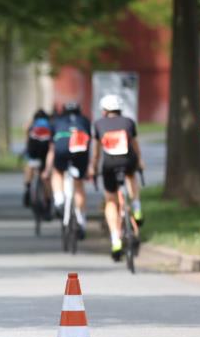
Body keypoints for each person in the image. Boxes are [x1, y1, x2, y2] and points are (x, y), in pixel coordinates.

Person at [88, 93, 144, 261]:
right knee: (131, 175)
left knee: (111, 201)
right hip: (128, 161)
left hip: (109, 165)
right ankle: (137, 207)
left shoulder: (98, 124)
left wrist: (93, 167)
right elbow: (135, 145)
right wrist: (140, 162)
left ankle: (115, 239)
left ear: (104, 111)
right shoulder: (129, 122)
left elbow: (97, 151)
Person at [49, 101, 91, 235]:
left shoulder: (57, 121)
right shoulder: (84, 120)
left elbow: (52, 147)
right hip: (80, 149)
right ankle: (80, 220)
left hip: (61, 148)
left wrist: (48, 167)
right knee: (79, 185)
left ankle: (59, 199)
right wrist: (90, 166)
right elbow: (89, 142)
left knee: (57, 172)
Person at [22, 109, 54, 209]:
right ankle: (49, 200)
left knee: (30, 165)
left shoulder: (33, 125)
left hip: (33, 150)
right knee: (46, 176)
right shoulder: (50, 124)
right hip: (45, 151)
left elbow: (26, 132)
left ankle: (27, 187)